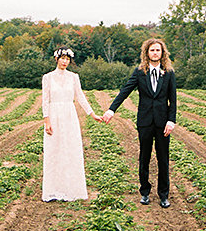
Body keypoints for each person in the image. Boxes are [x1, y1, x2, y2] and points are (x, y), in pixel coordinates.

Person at [102, 38, 176, 207]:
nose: (155, 53)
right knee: (144, 157)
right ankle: (145, 192)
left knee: (163, 158)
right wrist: (111, 109)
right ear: (147, 53)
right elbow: (125, 91)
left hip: (163, 122)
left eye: (158, 50)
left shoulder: (169, 73)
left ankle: (163, 195)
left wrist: (171, 120)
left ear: (162, 53)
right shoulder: (139, 72)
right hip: (145, 122)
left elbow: (173, 99)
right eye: (152, 50)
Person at [41, 47, 102, 201]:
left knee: (70, 150)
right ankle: (53, 190)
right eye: (62, 58)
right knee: (54, 151)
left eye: (67, 59)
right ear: (56, 59)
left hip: (69, 115)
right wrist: (46, 120)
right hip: (54, 115)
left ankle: (71, 189)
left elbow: (80, 97)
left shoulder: (74, 77)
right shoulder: (47, 78)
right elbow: (45, 100)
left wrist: (92, 113)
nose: (65, 62)